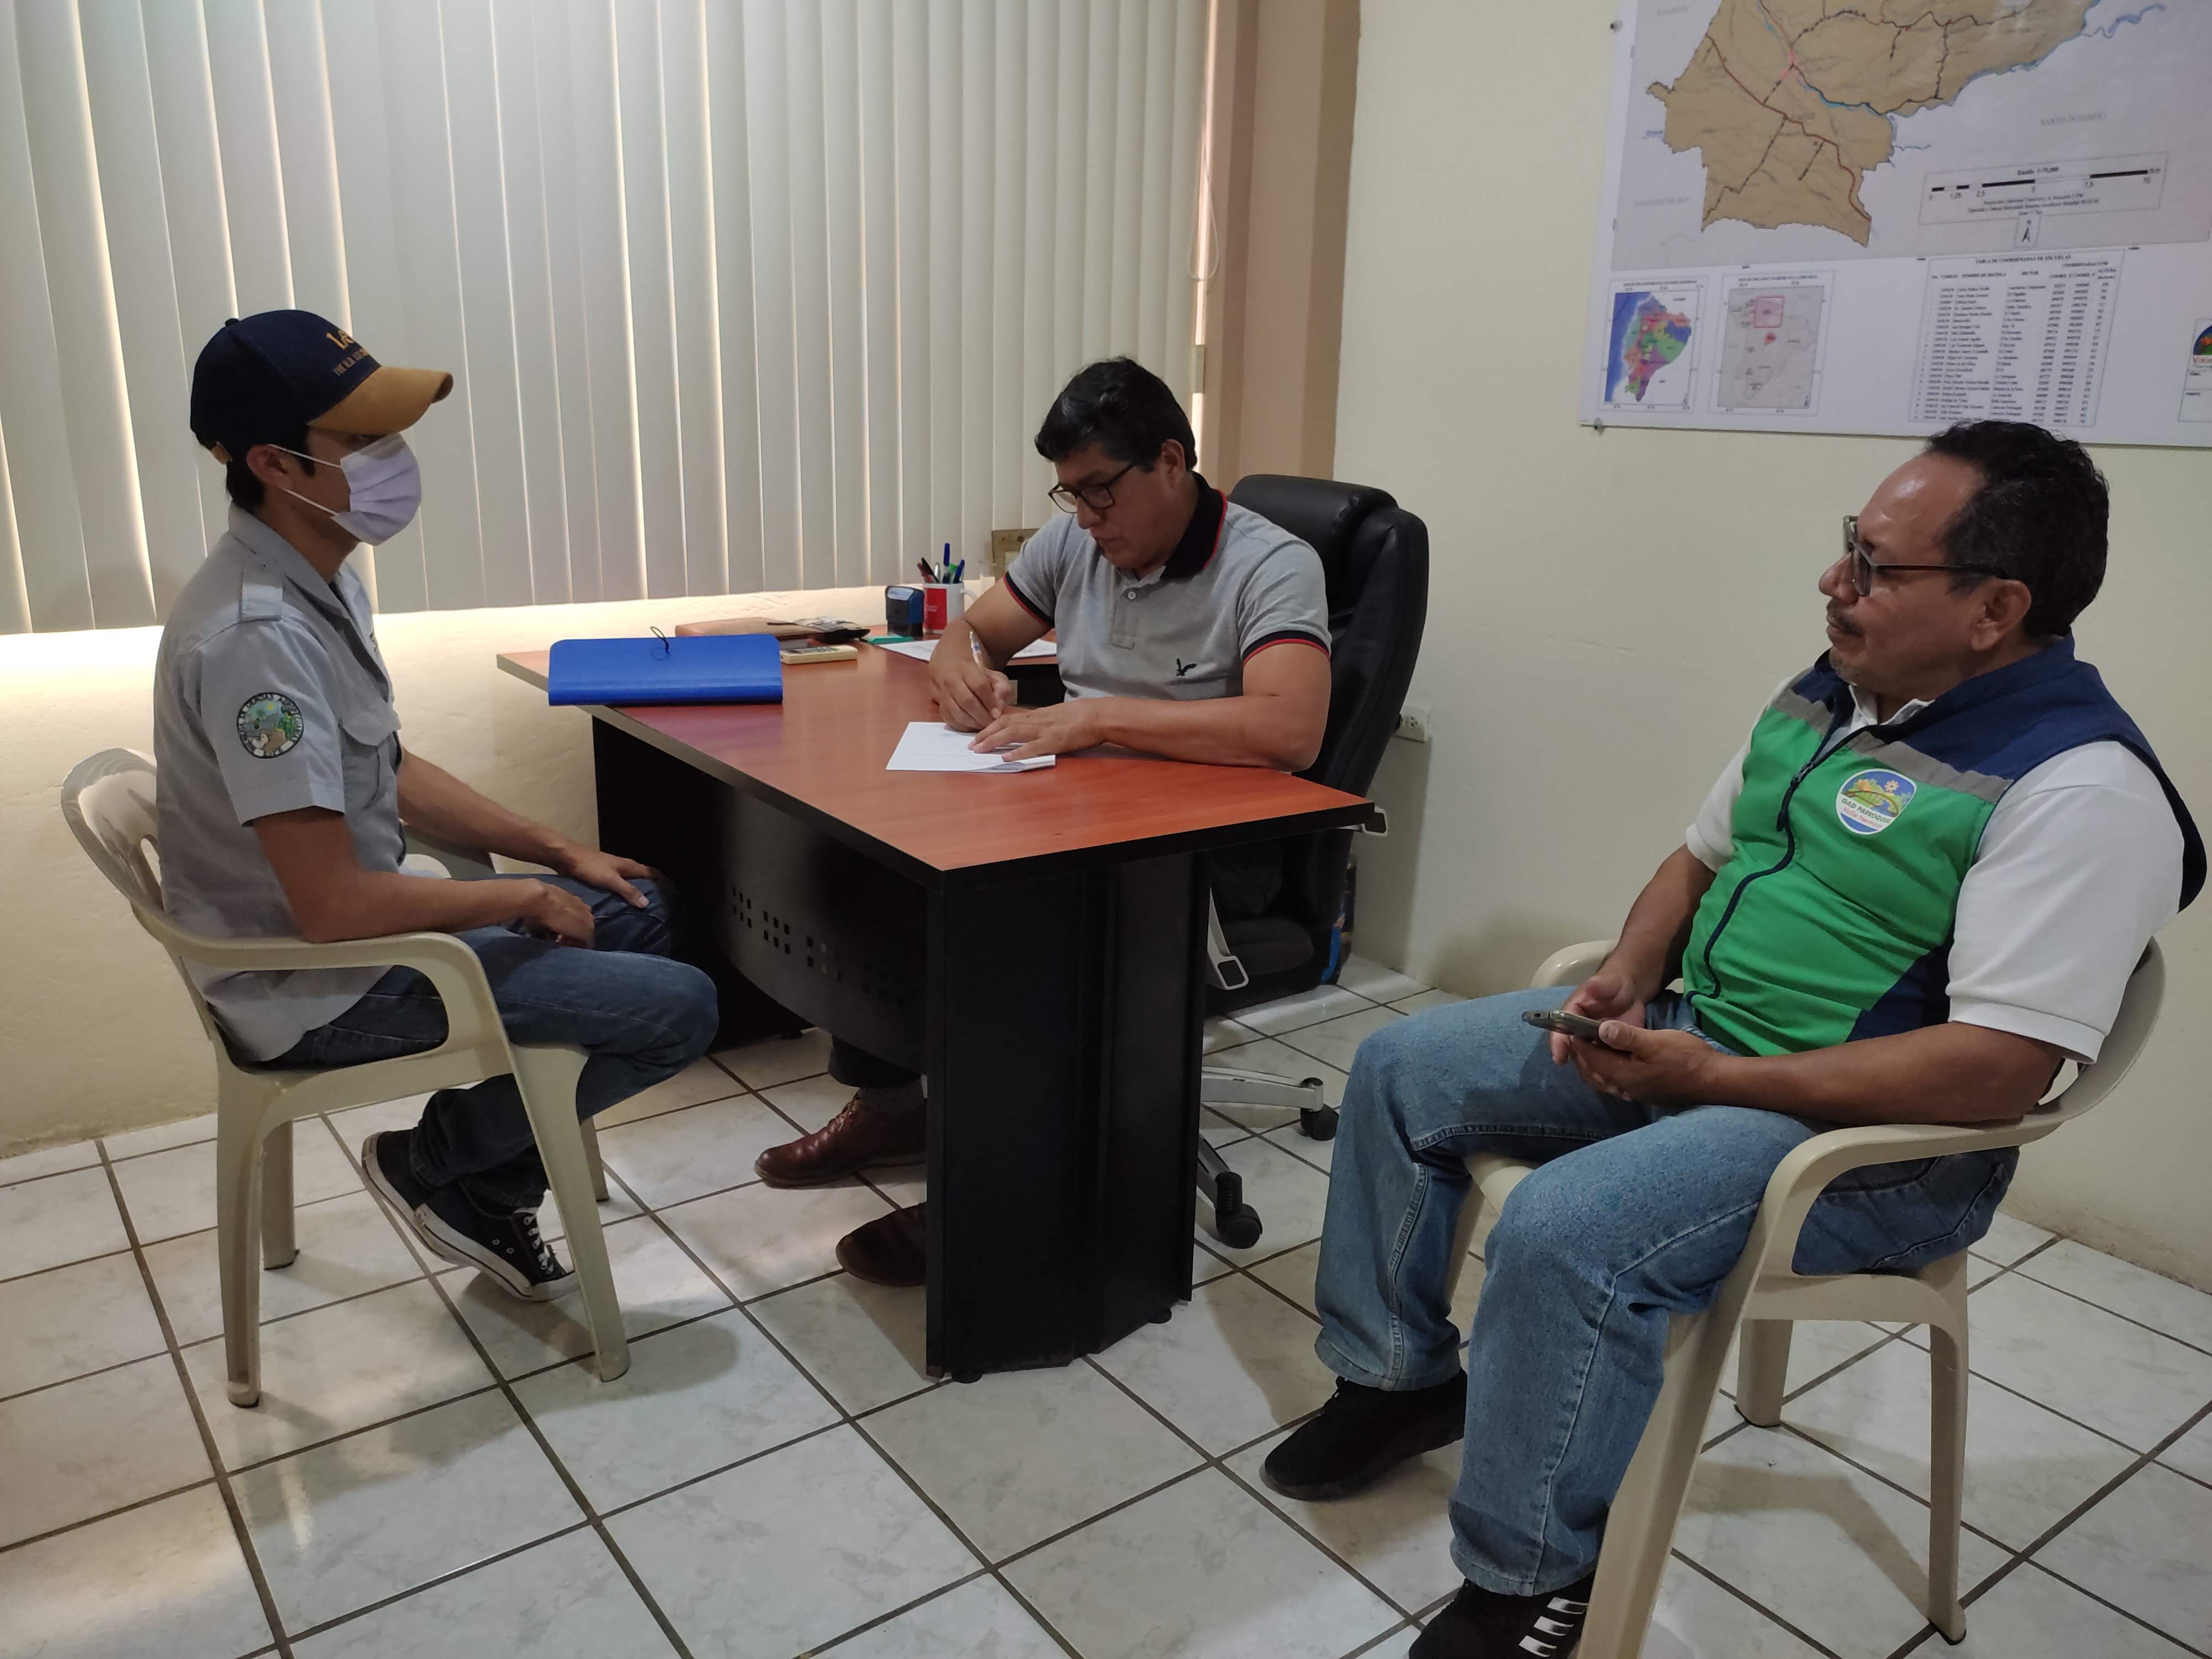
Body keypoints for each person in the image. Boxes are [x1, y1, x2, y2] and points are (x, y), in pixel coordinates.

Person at [1260, 421, 2203, 1659]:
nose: (1833, 582)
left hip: (1872, 1143)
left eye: (1875, 567)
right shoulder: (1832, 690)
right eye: (1848, 546)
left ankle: (1532, 1579)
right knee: (1400, 1068)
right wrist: (1626, 974)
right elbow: (1699, 855)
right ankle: (1399, 1382)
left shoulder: (2079, 790)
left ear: (1995, 609)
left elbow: (1999, 1070)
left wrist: (1723, 1078)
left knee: (1568, 1230)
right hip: (1702, 1038)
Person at [156, 310, 719, 1302]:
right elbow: (331, 905)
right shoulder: (255, 640)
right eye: (362, 439)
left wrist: (559, 853)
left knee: (646, 903)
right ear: (275, 465)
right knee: (683, 1009)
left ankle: (483, 1176)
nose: (394, 459)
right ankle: (442, 1160)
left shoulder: (317, 574)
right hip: (318, 988)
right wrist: (520, 898)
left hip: (360, 941)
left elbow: (389, 766)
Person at [752, 357, 1334, 1285]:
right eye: (1072, 495)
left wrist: (1099, 718)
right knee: (871, 866)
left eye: (1102, 491)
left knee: (1005, 930)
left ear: (1171, 461)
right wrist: (958, 664)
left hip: (1207, 847)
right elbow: (977, 631)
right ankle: (896, 1107)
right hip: (1075, 805)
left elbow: (1290, 729)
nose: (1088, 518)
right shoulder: (1077, 543)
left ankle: (997, 1194)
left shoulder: (1271, 565)